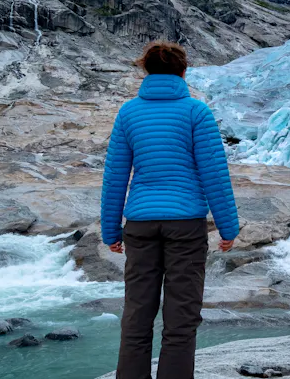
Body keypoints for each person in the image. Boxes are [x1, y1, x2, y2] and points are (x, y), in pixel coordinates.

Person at [100, 41, 239, 379]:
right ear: (183, 71)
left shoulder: (129, 112)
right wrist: (228, 228)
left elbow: (115, 174)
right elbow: (214, 175)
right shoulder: (196, 112)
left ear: (145, 71)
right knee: (181, 317)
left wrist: (110, 230)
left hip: (140, 226)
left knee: (137, 313)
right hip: (186, 226)